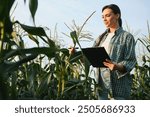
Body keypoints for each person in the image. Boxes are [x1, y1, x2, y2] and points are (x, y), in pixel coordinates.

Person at [93, 4, 137, 100]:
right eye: (103, 17)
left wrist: (117, 66)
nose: (104, 19)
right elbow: (90, 58)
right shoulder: (100, 38)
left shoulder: (127, 37)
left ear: (117, 16)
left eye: (108, 15)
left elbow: (131, 60)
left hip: (118, 87)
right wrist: (75, 54)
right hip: (102, 87)